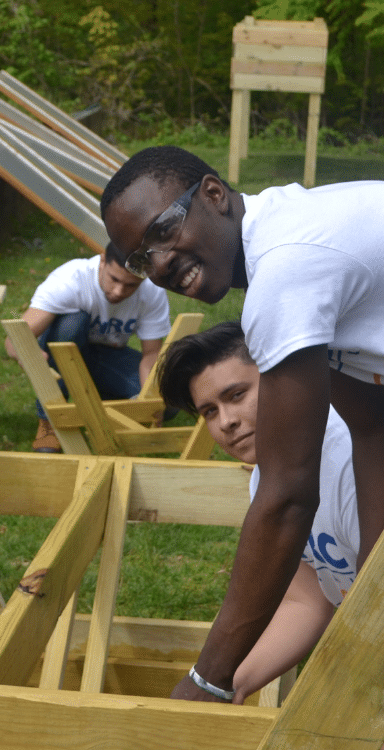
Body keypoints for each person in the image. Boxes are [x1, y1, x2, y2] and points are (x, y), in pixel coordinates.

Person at [100, 144, 384, 702]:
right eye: (139, 258)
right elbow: (373, 425)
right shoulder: (285, 235)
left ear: (213, 194)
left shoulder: (287, 266)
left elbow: (287, 497)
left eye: (163, 231)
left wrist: (209, 680)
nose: (157, 265)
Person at [157, 322, 356, 704]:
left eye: (237, 394)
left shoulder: (347, 458)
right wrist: (228, 685)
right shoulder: (268, 475)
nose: (226, 421)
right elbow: (308, 600)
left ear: (284, 377)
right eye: (209, 411)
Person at [4, 241, 170, 452]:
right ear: (102, 261)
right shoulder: (70, 279)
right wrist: (29, 356)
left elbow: (152, 354)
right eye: (114, 279)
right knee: (70, 326)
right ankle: (49, 423)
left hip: (107, 356)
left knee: (168, 398)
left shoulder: (152, 291)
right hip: (65, 351)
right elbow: (13, 340)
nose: (119, 291)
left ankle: (103, 402)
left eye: (130, 285)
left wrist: (150, 400)